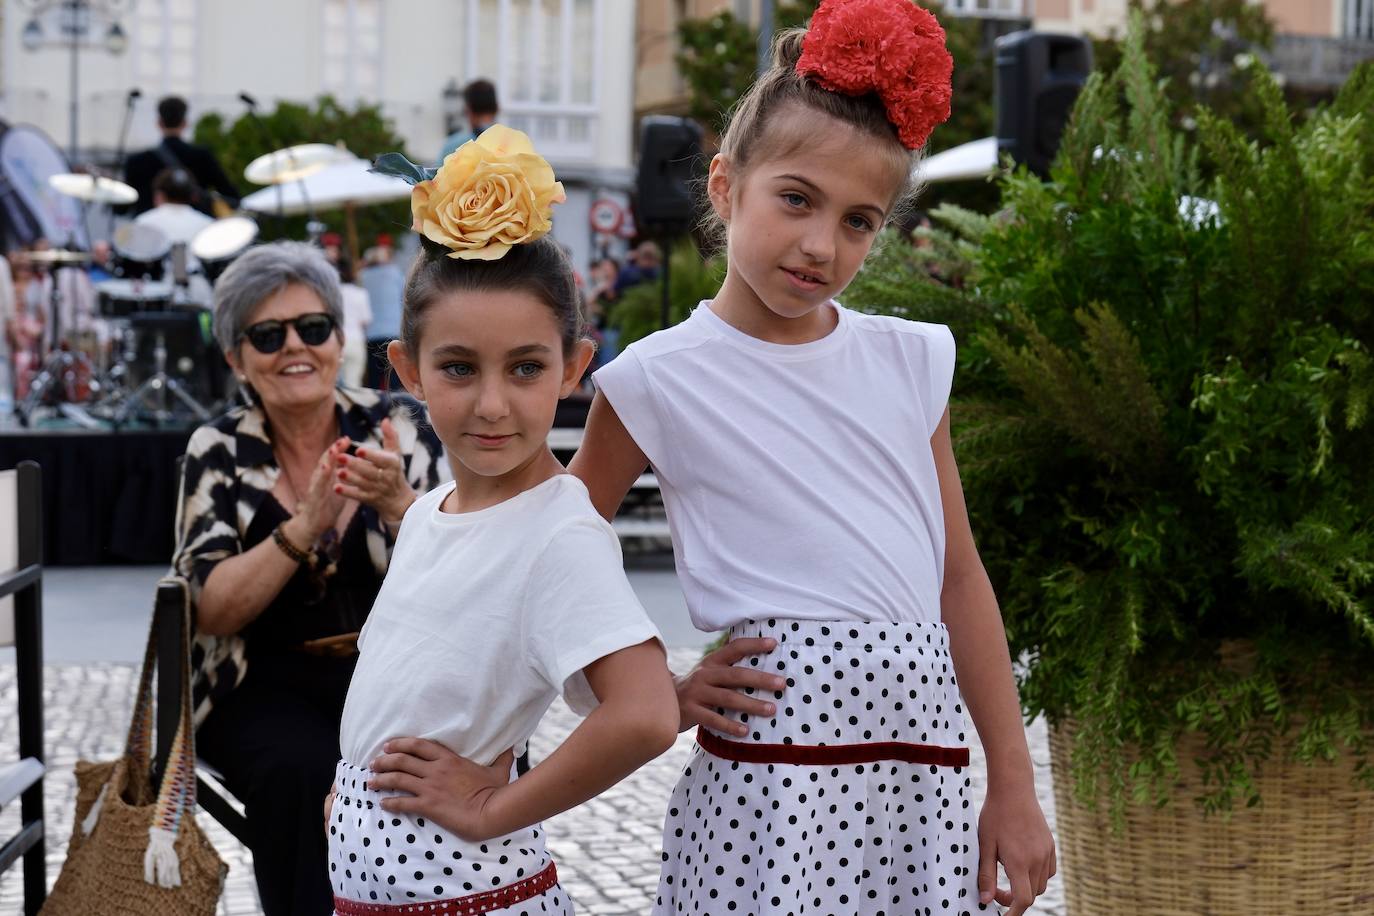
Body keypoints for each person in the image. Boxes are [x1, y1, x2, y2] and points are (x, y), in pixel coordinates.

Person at [569, 4, 1057, 915]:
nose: (822, 244)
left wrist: (1016, 786)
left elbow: (958, 575)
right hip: (770, 795)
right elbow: (551, 556)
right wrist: (657, 694)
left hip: (922, 788)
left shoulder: (911, 361)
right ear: (725, 187)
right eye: (796, 199)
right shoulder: (654, 380)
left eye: (860, 220)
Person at [329, 126, 678, 914]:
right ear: (409, 371)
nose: (492, 404)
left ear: (574, 370)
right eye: (459, 368)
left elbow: (643, 712)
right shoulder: (427, 517)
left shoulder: (559, 531)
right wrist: (346, 788)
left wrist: (495, 807)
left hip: (471, 896)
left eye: (525, 368)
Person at [172, 241, 447, 915]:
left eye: (313, 327)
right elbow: (208, 608)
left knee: (439, 755)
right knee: (300, 769)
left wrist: (399, 509)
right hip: (257, 682)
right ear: (236, 358)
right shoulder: (218, 452)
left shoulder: (400, 426)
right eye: (267, 335)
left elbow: (466, 571)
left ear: (340, 336)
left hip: (393, 671)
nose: (295, 347)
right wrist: (300, 529)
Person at [125, 95, 239, 216]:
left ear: (159, 123)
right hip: (196, 229)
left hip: (150, 229)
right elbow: (231, 195)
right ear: (184, 123)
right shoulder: (202, 157)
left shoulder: (136, 161)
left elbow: (122, 207)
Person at [360, 234, 405, 390]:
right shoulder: (395, 273)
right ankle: (394, 407)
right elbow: (405, 296)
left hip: (371, 332)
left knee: (374, 375)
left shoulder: (362, 276)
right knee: (393, 373)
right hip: (392, 330)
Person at [438, 78, 500, 163]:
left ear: (468, 110)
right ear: (497, 108)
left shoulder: (453, 147)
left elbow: (437, 175)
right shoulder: (511, 145)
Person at [335, 256, 371, 388]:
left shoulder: (332, 294)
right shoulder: (360, 293)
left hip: (337, 341)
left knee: (336, 385)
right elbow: (365, 320)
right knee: (353, 383)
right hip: (355, 340)